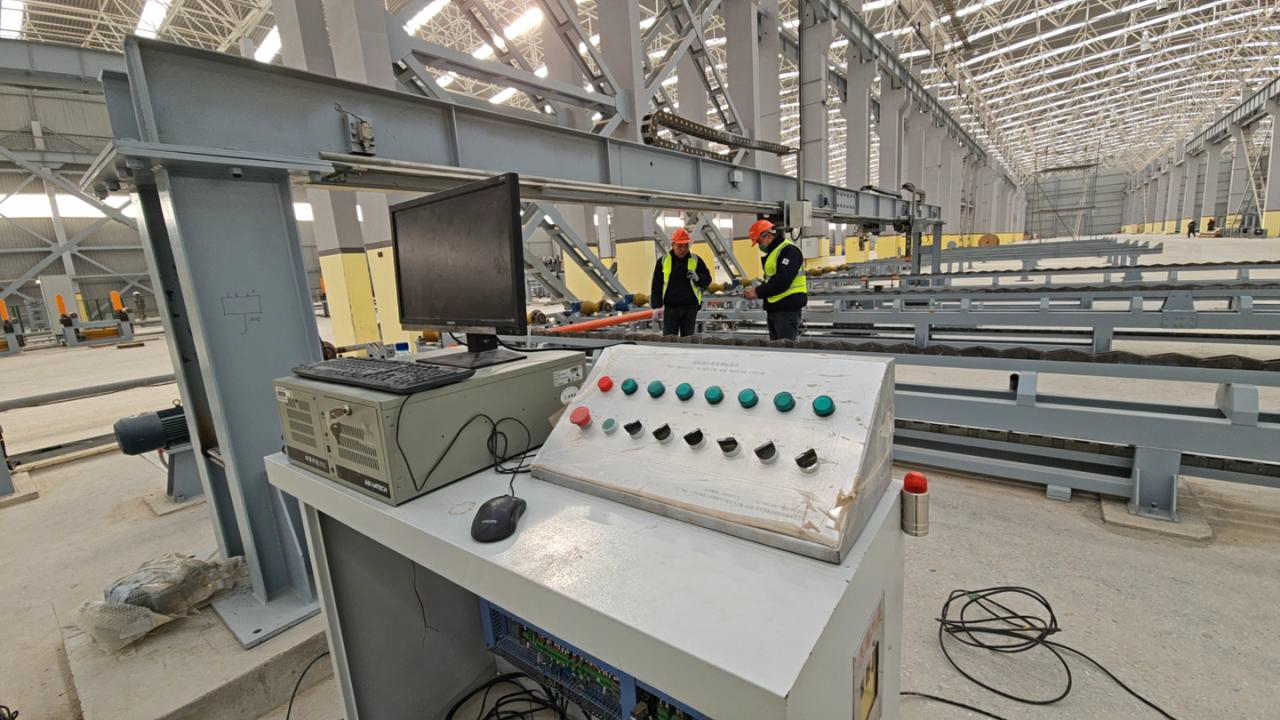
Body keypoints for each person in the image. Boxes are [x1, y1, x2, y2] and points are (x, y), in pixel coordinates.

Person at [744, 219, 807, 341]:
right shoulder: (774, 253)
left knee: (786, 353)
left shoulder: (789, 251)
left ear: (767, 236)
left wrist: (758, 292)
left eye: (758, 242)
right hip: (776, 309)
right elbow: (772, 279)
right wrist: (758, 288)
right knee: (777, 352)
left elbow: (782, 280)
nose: (759, 246)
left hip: (787, 309)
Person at [650, 227, 711, 337]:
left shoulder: (696, 260)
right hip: (670, 308)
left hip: (690, 307)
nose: (683, 249)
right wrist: (656, 307)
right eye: (680, 246)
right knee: (669, 340)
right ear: (673, 245)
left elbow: (707, 280)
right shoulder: (663, 262)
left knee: (688, 340)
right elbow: (657, 285)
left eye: (686, 246)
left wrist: (698, 278)